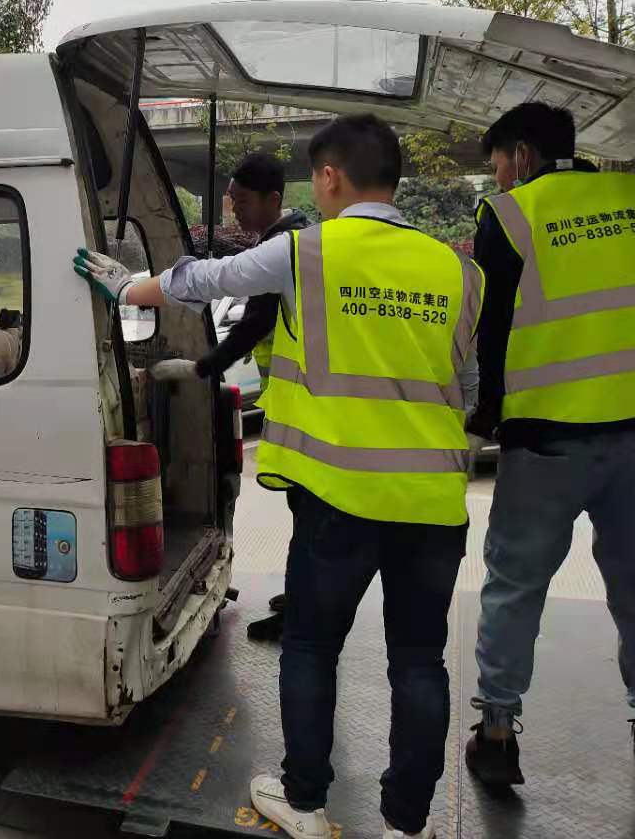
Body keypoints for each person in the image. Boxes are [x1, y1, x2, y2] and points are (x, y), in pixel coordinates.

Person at [76, 114, 482, 839]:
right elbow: (461, 382)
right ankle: (407, 824)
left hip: (337, 499)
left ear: (330, 177)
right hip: (433, 502)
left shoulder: (306, 252)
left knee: (313, 648)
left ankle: (304, 800)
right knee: (420, 663)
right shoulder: (458, 270)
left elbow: (204, 280)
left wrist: (123, 286)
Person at [464, 101, 635, 791]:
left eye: (500, 163)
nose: (500, 178)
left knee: (513, 588)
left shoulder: (510, 215)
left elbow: (494, 328)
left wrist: (486, 414)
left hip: (547, 442)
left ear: (524, 156)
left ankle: (499, 732)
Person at [150, 151, 309, 642]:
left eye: (242, 202)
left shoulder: (286, 248)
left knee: (309, 515)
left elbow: (257, 320)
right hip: (307, 403)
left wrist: (201, 365)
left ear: (272, 200)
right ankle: (304, 595)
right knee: (306, 513)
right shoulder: (295, 237)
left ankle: (302, 615)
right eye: (231, 201)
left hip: (314, 407)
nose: (234, 212)